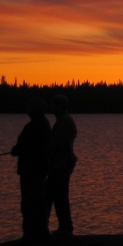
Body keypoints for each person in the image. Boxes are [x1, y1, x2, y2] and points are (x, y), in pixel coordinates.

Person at [11, 96, 51, 242]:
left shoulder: (33, 126)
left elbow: (25, 146)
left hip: (31, 169)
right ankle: (41, 231)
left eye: (30, 108)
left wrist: (16, 150)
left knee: (30, 202)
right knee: (39, 200)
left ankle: (30, 234)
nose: (28, 111)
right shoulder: (44, 124)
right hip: (40, 168)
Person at [46, 94, 78, 234]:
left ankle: (64, 227)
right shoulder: (65, 120)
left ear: (59, 106)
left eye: (53, 105)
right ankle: (65, 226)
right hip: (62, 162)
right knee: (59, 196)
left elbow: (58, 144)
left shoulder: (64, 122)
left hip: (61, 164)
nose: (51, 108)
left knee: (54, 195)